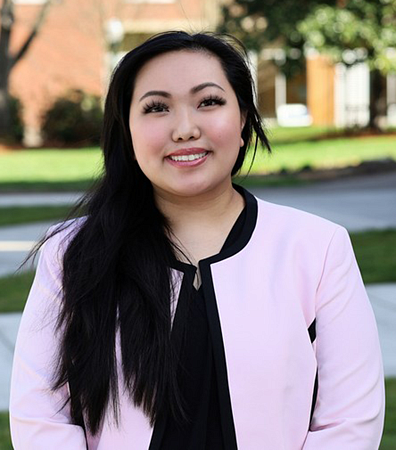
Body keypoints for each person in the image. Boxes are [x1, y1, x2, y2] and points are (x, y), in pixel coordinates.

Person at [10, 31, 384, 449]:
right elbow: (40, 416)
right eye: (157, 108)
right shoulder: (71, 254)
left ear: (243, 119)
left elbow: (349, 421)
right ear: (128, 133)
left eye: (208, 102)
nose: (186, 129)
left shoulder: (317, 249)